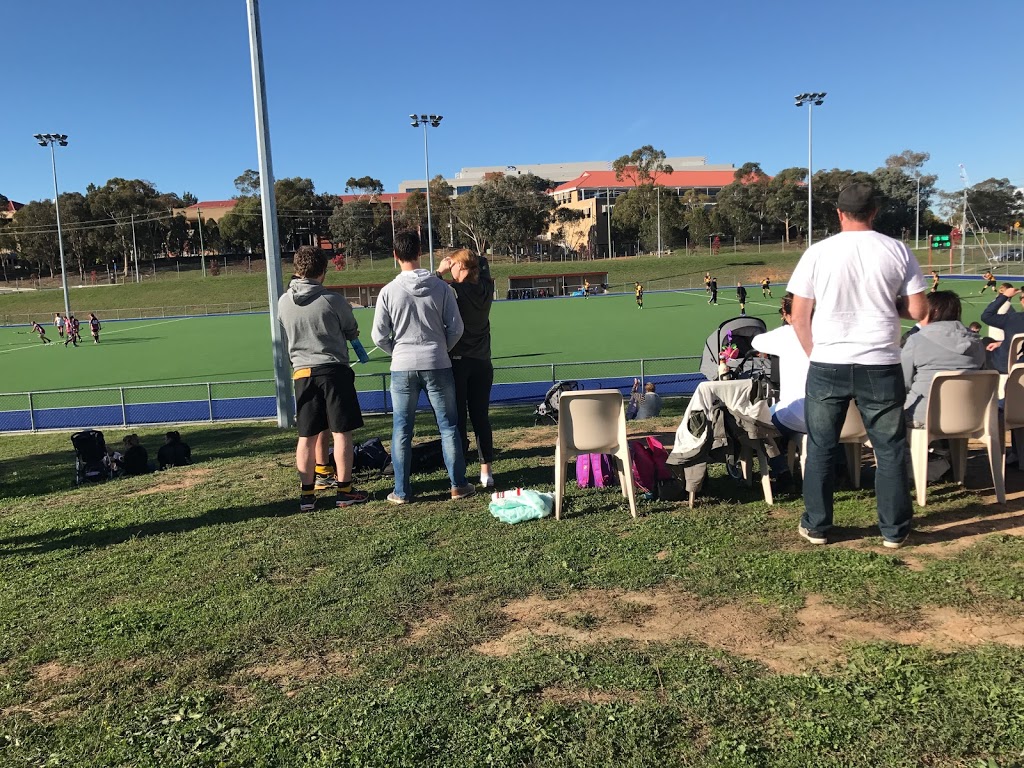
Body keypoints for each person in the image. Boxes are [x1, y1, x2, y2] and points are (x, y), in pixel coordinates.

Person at [787, 181, 927, 549]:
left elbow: (799, 315)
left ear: (838, 213)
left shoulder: (818, 252)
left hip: (828, 363)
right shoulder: (897, 249)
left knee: (820, 446)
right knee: (889, 448)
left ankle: (816, 526)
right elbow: (918, 311)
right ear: (874, 211)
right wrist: (887, 306)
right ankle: (894, 531)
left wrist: (813, 353)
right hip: (880, 363)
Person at [371, 229, 474, 504]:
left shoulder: (388, 292)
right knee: (449, 427)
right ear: (420, 253)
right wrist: (441, 348)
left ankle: (402, 491)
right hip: (438, 363)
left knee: (402, 429)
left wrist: (397, 351)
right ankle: (458, 485)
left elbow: (378, 335)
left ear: (395, 256)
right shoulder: (441, 288)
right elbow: (457, 328)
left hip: (402, 366)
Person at [277, 245, 368, 511]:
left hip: (302, 373)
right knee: (341, 433)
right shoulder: (333, 300)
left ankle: (307, 496)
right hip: (333, 372)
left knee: (306, 435)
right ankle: (345, 490)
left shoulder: (283, 302)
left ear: (296, 269)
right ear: (323, 272)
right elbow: (351, 329)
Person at [437, 248, 496, 489]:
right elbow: (481, 264)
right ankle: (487, 472)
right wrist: (468, 257)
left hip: (459, 362)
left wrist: (440, 270)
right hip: (483, 362)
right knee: (481, 417)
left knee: (458, 418)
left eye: (453, 266)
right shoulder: (486, 288)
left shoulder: (455, 292)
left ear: (460, 268)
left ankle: (460, 473)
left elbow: (430, 285)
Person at [902, 291, 985, 428]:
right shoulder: (977, 343)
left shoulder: (916, 340)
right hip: (971, 415)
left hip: (922, 415)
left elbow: (904, 382)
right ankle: (954, 449)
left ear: (934, 312)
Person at [980, 284, 1024, 372]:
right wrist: (1002, 343)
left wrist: (1005, 296)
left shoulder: (1013, 318)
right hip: (1019, 365)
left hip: (1005, 365)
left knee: (985, 343)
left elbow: (986, 316)